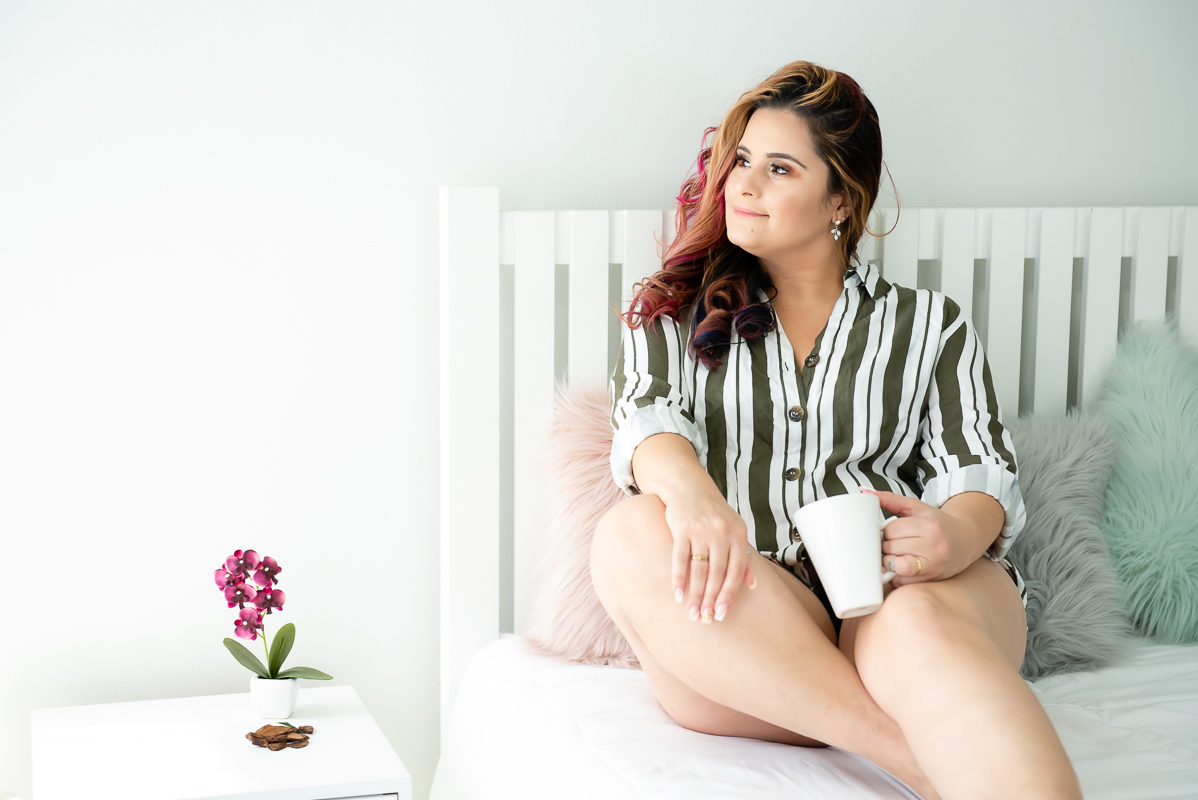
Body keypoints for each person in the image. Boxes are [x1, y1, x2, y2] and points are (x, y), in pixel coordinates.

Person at [589, 61, 1082, 800]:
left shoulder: (928, 325)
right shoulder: (675, 311)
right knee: (626, 535)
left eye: (779, 168)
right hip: (751, 627)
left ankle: (907, 706)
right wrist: (693, 498)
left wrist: (954, 535)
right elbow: (647, 421)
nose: (744, 185)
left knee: (912, 624)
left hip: (895, 600)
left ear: (841, 201)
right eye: (742, 162)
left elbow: (981, 473)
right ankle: (918, 759)